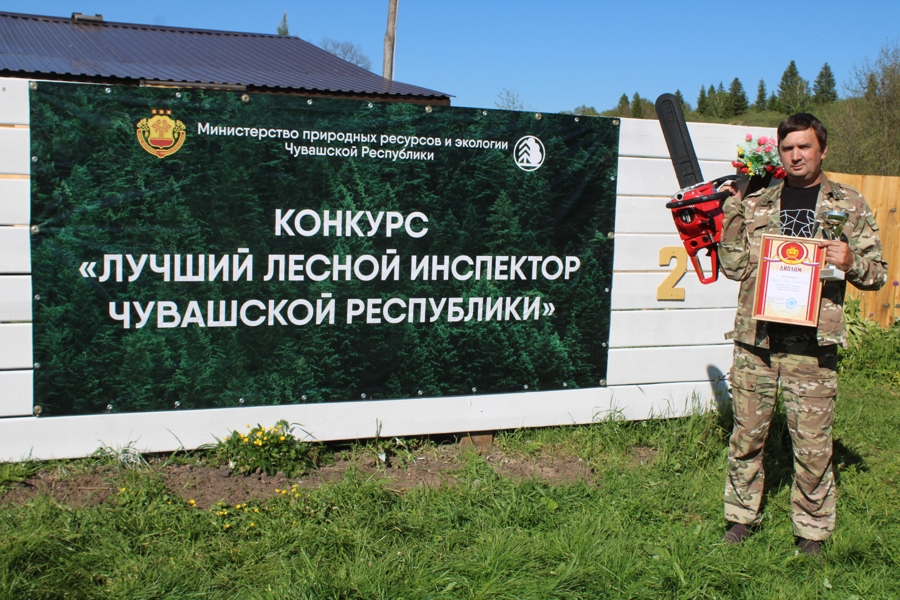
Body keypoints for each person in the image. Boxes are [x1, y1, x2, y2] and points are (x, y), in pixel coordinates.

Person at [717, 113, 887, 555]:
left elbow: (877, 275)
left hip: (811, 347)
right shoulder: (757, 202)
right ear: (780, 152)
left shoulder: (847, 203)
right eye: (788, 148)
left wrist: (851, 262)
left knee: (812, 446)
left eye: (805, 147)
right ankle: (740, 518)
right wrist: (732, 210)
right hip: (757, 341)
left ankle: (810, 532)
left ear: (822, 150)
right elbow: (734, 267)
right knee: (747, 436)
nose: (796, 155)